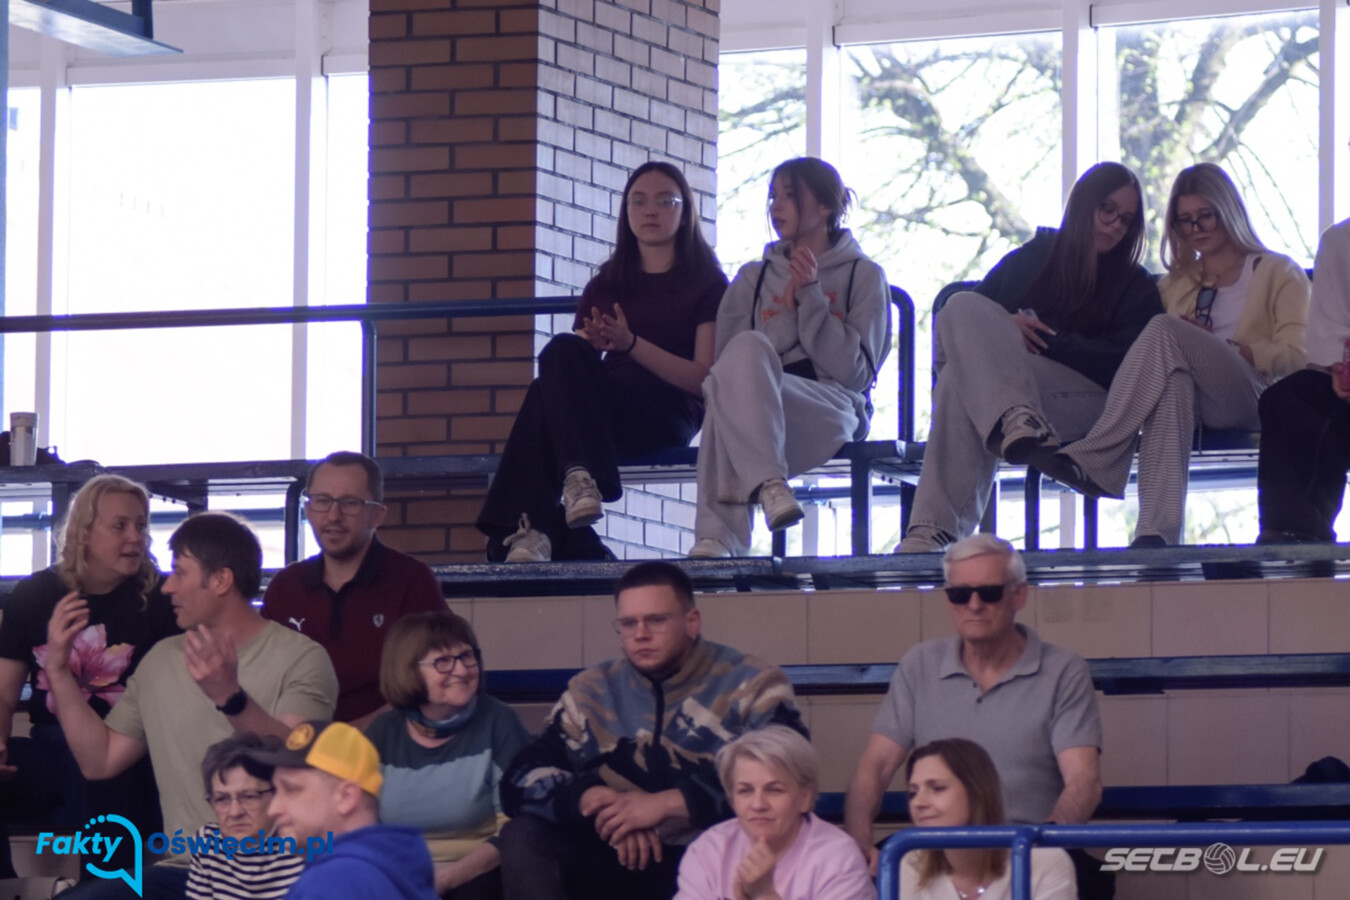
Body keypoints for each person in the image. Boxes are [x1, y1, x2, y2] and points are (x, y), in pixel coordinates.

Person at [46, 511, 338, 899]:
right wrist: (59, 671)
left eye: (180, 572)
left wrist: (230, 698)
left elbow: (296, 760)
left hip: (279, 869)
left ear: (220, 580)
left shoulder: (301, 658)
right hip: (185, 870)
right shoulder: (161, 660)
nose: (168, 587)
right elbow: (99, 761)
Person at [496, 560, 808, 900]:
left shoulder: (754, 683)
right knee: (522, 835)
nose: (640, 634)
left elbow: (789, 773)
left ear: (692, 621)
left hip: (715, 855)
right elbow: (520, 777)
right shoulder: (590, 690)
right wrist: (596, 802)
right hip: (615, 853)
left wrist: (666, 805)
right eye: (628, 623)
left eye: (656, 620)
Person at [1034, 163, 1309, 546]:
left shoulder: (1278, 271)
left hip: (1253, 395)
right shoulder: (1174, 284)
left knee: (1165, 329)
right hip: (1194, 400)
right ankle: (1156, 535)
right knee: (1174, 379)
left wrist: (1241, 351)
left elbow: (1302, 356)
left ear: (1228, 210)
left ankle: (1098, 455)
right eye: (1185, 220)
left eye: (1205, 215)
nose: (1196, 228)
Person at [896, 162, 1162, 553]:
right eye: (1107, 210)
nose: (1114, 226)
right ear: (1084, 204)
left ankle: (935, 531)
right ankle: (1015, 418)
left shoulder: (1134, 284)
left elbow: (1130, 361)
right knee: (959, 307)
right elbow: (962, 326)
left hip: (1093, 403)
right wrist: (1005, 327)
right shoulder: (1032, 258)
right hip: (1013, 402)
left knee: (959, 381)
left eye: (1126, 220)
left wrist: (1048, 342)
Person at [475, 161, 728, 563]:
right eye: (638, 201)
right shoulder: (607, 282)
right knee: (560, 355)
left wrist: (630, 344)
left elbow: (703, 380)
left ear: (685, 214)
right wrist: (591, 345)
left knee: (544, 398)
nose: (650, 211)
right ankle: (575, 482)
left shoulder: (708, 283)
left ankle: (531, 529)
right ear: (626, 213)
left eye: (665, 201)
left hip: (666, 412)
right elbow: (570, 370)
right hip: (606, 410)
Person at [844, 534, 1101, 874]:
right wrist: (858, 843)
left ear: (1019, 595)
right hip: (937, 853)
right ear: (948, 598)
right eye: (960, 594)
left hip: (1028, 850)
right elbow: (876, 766)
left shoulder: (1063, 670)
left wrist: (1040, 850)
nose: (974, 605)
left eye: (989, 592)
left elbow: (1083, 780)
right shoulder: (919, 664)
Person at [689, 156, 891, 558]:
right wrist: (785, 316)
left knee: (728, 409)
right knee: (735, 378)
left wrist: (811, 298)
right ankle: (769, 486)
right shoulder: (752, 277)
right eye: (772, 197)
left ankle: (720, 533)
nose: (776, 207)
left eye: (789, 195)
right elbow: (726, 366)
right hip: (758, 399)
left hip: (828, 403)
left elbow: (855, 373)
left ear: (826, 206)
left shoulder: (864, 275)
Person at [0, 475, 177, 877]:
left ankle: (104, 890)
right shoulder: (36, 595)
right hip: (52, 747)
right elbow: (4, 695)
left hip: (128, 749)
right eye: (120, 526)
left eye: (141, 525)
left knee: (104, 778)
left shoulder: (163, 600)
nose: (135, 537)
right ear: (83, 532)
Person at [262, 451, 446, 726]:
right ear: (308, 510)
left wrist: (349, 738)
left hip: (387, 743)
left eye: (350, 503)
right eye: (322, 501)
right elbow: (264, 681)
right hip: (297, 742)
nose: (333, 515)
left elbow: (434, 678)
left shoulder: (412, 580)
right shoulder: (286, 587)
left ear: (376, 515)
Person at [365, 611, 529, 899]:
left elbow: (516, 829)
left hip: (478, 872)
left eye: (467, 656)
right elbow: (362, 827)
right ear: (408, 671)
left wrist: (446, 879)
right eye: (443, 661)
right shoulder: (383, 732)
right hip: (398, 873)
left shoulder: (499, 721)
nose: (462, 670)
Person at [674, 726, 874, 900]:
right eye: (745, 791)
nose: (758, 804)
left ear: (805, 797)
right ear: (732, 800)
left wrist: (764, 894)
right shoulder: (708, 850)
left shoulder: (839, 858)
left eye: (774, 790)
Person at [245, 719, 437, 899]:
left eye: (291, 789)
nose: (273, 809)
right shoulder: (388, 866)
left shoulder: (333, 881)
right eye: (276, 791)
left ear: (346, 797)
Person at [1257, 213, 1350, 543]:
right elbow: (1330, 332)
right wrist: (1340, 367)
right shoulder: (1340, 241)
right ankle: (1291, 533)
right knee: (1286, 398)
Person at [899, 738, 1076, 900]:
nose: (918, 803)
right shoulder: (911, 863)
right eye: (913, 793)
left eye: (937, 788)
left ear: (976, 792)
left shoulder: (1045, 862)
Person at [187, 732, 305, 900]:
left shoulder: (304, 845)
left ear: (276, 795)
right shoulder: (206, 843)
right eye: (221, 799)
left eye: (249, 796)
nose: (235, 812)